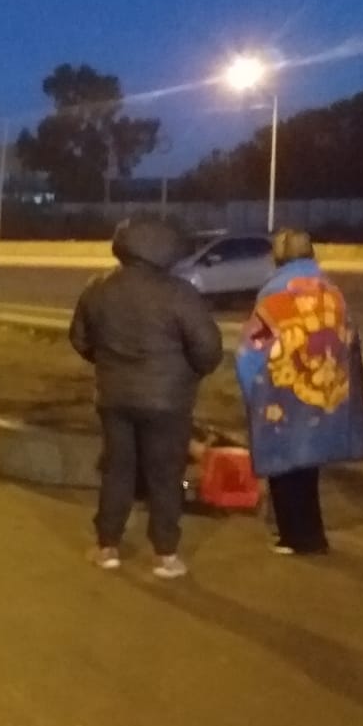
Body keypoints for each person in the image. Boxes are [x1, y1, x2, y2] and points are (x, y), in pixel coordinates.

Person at [69, 216, 223, 578]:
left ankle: (107, 546)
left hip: (114, 397)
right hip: (168, 401)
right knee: (165, 474)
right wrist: (186, 374)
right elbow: (208, 350)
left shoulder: (98, 289)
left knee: (117, 470)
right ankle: (165, 554)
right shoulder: (180, 293)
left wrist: (109, 364)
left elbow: (80, 339)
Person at [234, 228, 363, 556]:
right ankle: (313, 535)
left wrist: (252, 392)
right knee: (309, 466)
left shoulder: (274, 296)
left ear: (278, 258)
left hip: (283, 394)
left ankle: (293, 536)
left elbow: (251, 351)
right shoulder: (333, 292)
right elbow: (350, 340)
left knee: (283, 465)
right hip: (326, 391)